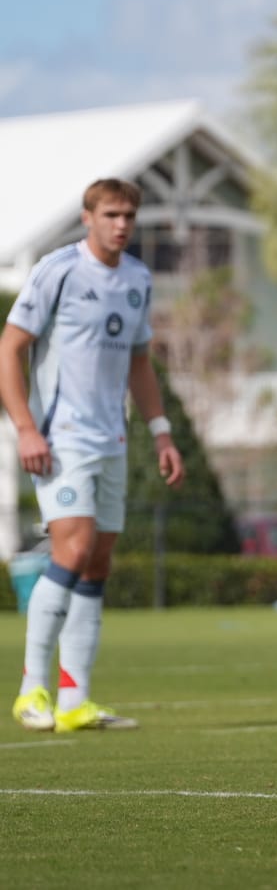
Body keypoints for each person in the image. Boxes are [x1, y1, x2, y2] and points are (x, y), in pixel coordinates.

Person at [5, 179, 184, 733]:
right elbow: (10, 347)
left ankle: (75, 700)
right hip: (60, 440)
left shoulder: (138, 278)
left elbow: (138, 362)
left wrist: (161, 432)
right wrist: (27, 429)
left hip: (114, 441)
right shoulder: (58, 269)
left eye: (129, 215)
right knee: (75, 547)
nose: (121, 224)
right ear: (87, 217)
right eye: (111, 214)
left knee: (98, 562)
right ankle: (31, 690)